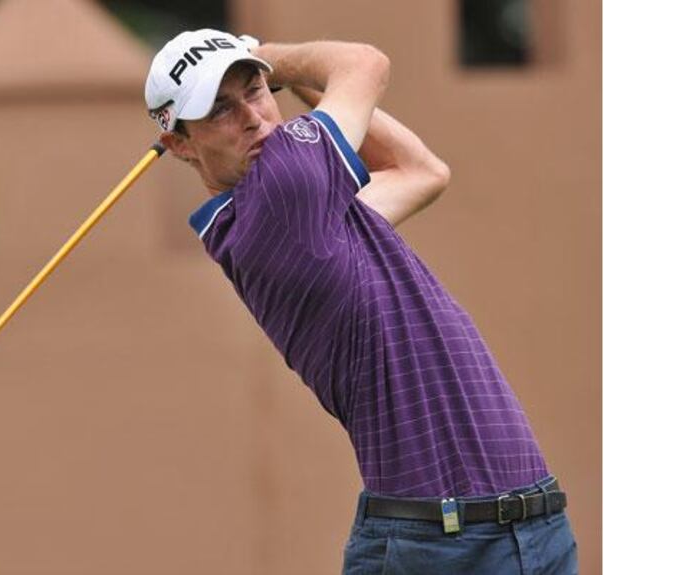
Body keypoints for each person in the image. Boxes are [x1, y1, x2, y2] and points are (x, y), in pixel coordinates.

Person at [144, 29, 578, 574]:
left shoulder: (304, 214)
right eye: (220, 111)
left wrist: (280, 80)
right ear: (181, 143)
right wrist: (270, 60)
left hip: (512, 530)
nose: (253, 117)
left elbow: (420, 173)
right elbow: (363, 64)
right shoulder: (282, 193)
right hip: (448, 542)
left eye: (255, 91)